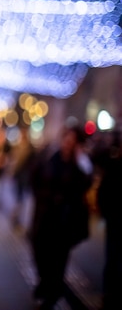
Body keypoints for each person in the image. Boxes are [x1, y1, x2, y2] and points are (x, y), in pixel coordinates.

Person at [28, 125, 93, 310]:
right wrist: (40, 198)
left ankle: (51, 295)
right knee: (39, 252)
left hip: (64, 221)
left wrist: (81, 159)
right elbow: (35, 176)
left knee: (58, 260)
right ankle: (44, 284)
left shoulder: (79, 164)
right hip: (44, 216)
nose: (67, 144)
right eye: (66, 139)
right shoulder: (50, 157)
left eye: (73, 141)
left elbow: (85, 185)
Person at [94, 130, 122, 310]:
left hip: (113, 219)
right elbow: (103, 192)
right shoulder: (114, 164)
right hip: (115, 221)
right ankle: (109, 294)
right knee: (113, 260)